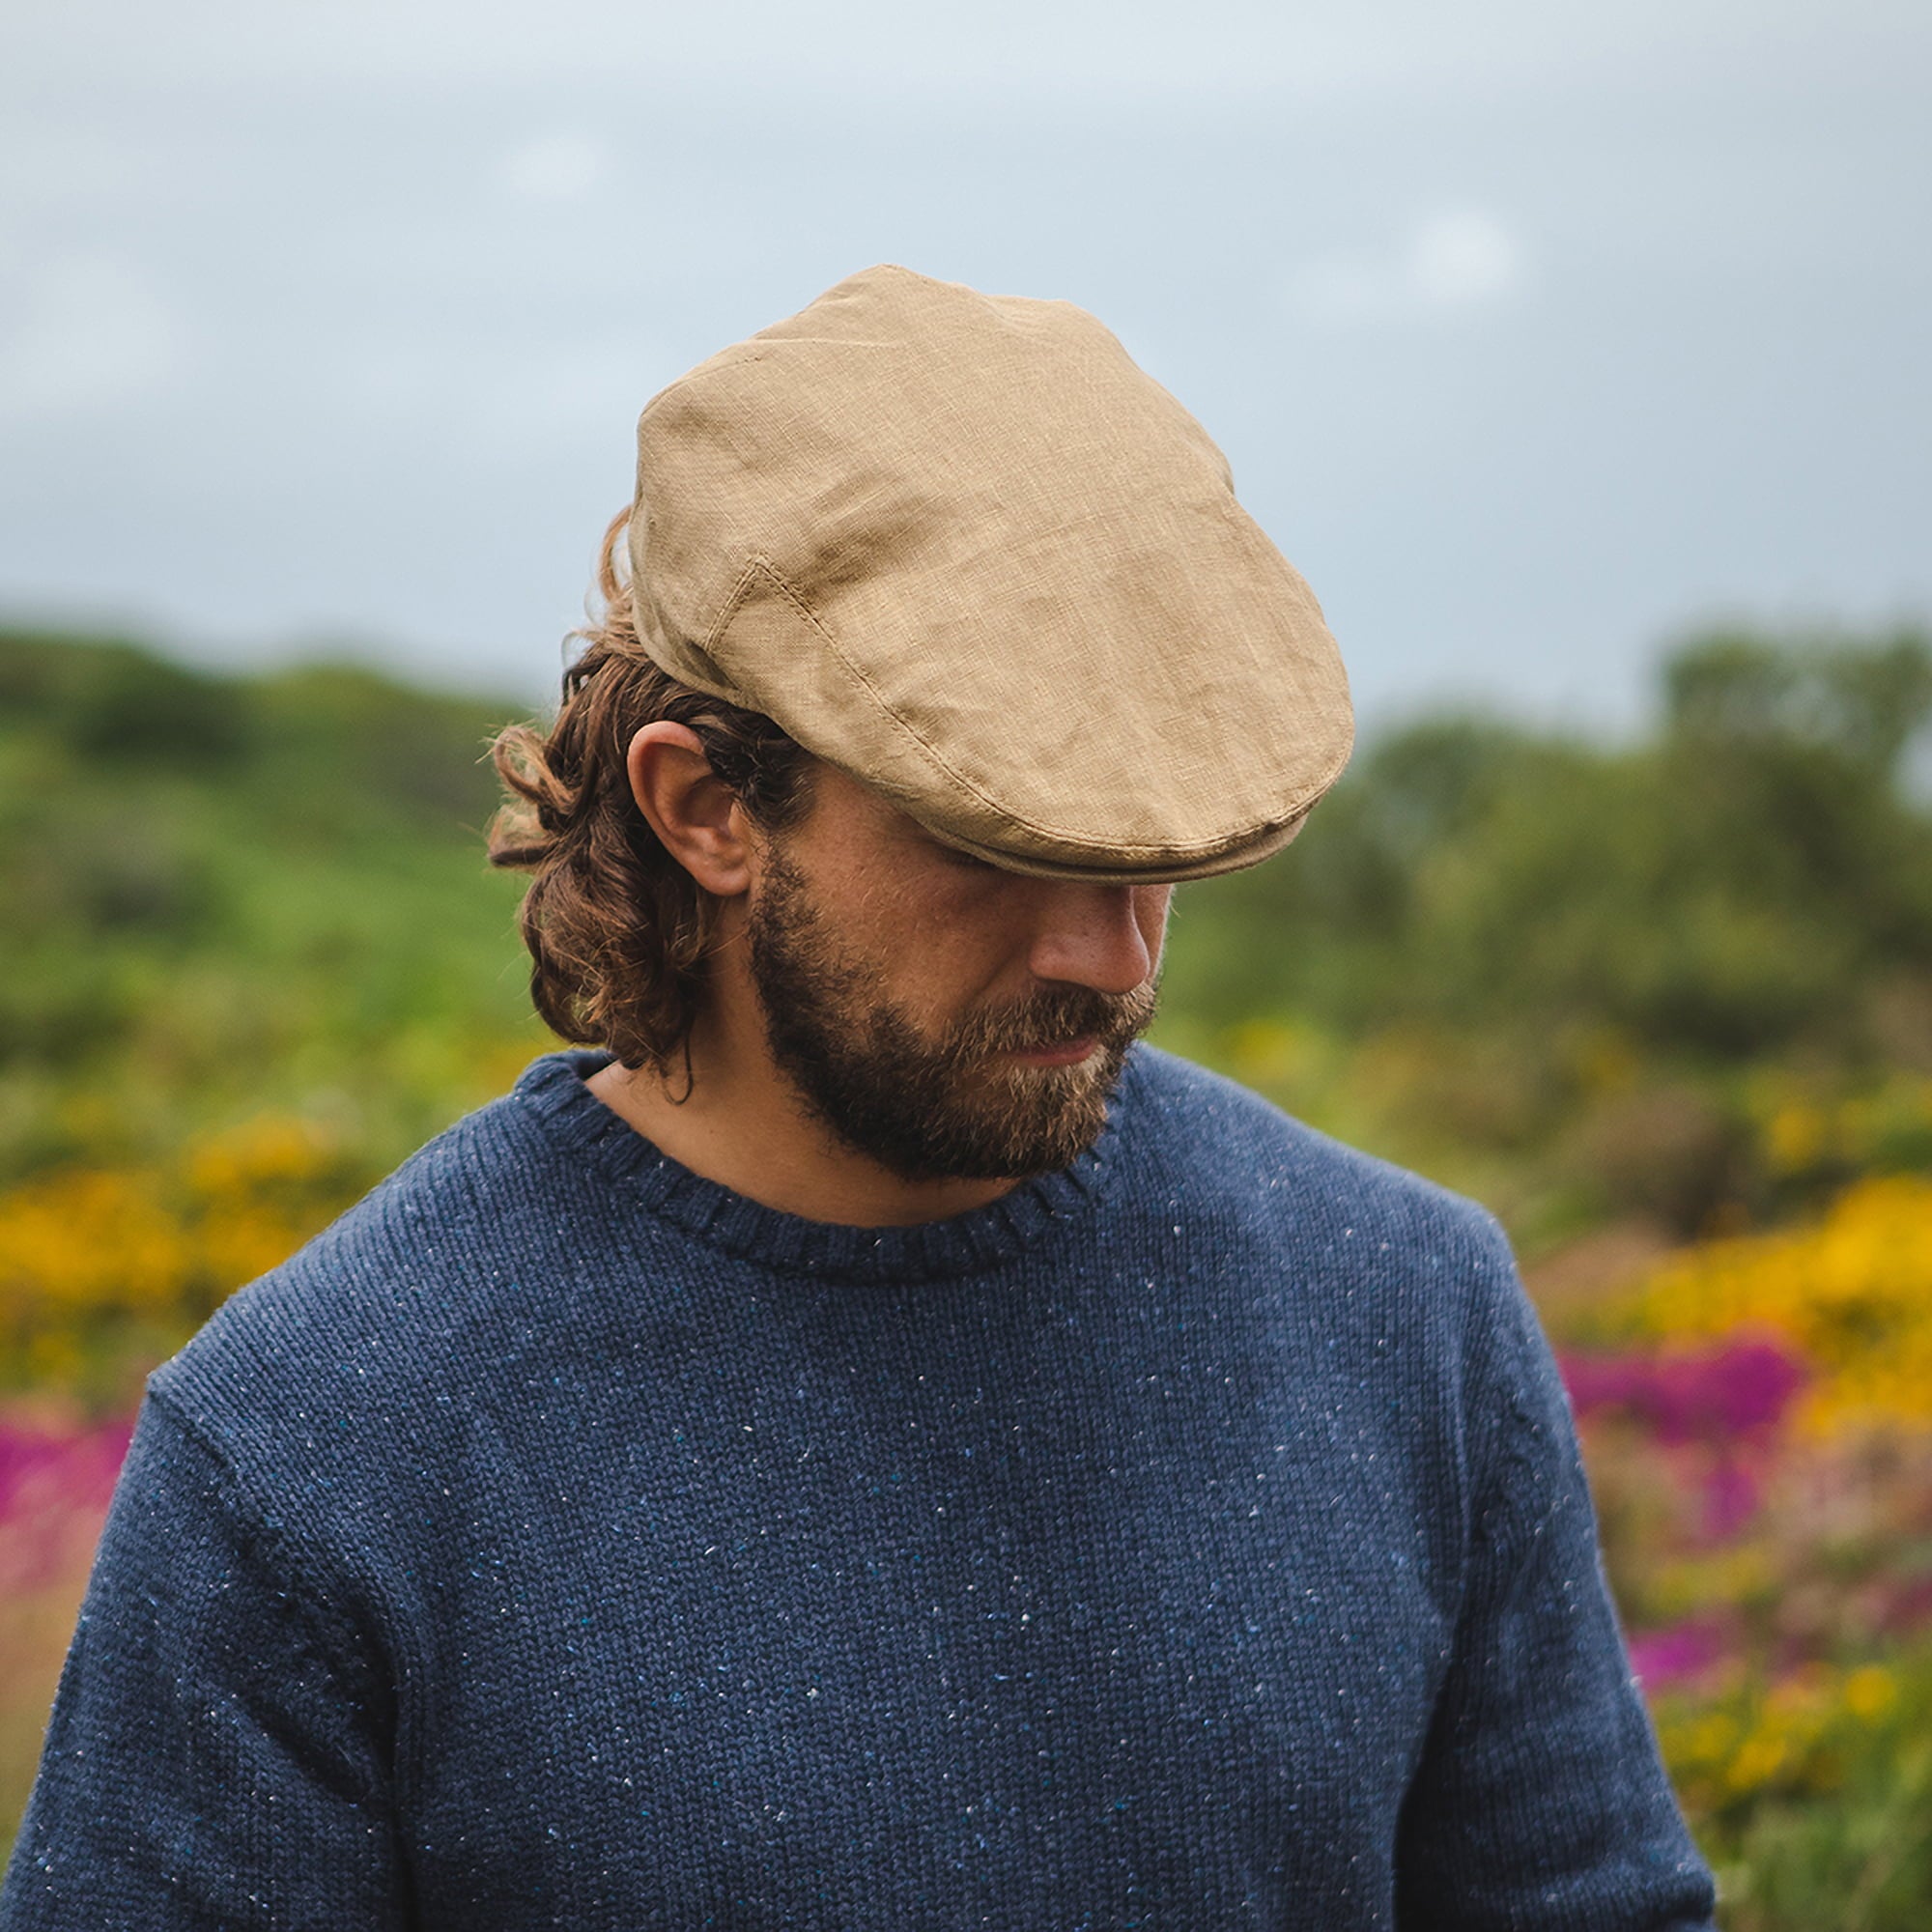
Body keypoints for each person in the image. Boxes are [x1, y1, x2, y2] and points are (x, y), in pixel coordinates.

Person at [2, 267, 1716, 1929]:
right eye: (993, 842)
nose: (1114, 956)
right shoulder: (319, 1452)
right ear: (707, 808)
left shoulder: (1404, 1308)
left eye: (1154, 853)